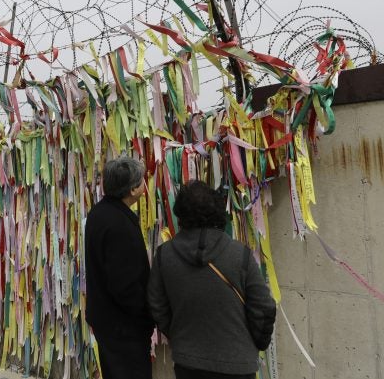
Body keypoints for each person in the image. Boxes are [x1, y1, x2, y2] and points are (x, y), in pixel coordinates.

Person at [147, 181, 276, 379]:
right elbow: (264, 306)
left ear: (180, 213)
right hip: (238, 363)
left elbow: (157, 305)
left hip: (188, 361)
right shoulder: (239, 254)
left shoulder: (164, 255)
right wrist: (258, 341)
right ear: (217, 210)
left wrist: (178, 335)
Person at [85, 156, 153, 379]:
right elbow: (124, 284)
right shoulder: (119, 225)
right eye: (142, 180)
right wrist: (146, 315)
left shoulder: (99, 213)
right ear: (133, 189)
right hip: (123, 326)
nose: (146, 183)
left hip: (107, 319)